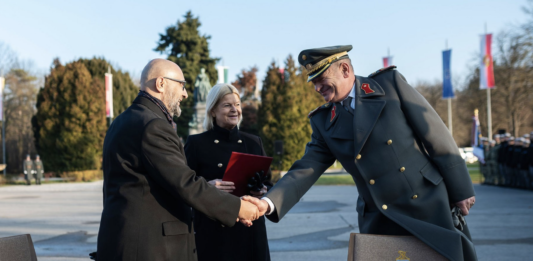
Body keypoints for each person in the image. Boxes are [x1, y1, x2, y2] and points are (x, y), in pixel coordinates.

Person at [244, 45, 477, 261]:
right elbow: (306, 168)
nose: (316, 88)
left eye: (321, 79)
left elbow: (436, 135)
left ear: (345, 69)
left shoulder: (389, 85)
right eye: (313, 82)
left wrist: (461, 189)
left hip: (425, 203)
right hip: (379, 216)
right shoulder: (324, 121)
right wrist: (268, 203)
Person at [96, 59, 261, 261]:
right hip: (148, 248)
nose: (184, 93)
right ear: (161, 84)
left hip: (126, 241)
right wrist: (238, 208)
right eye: (181, 85)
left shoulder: (122, 121)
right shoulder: (153, 126)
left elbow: (158, 182)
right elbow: (185, 183)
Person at [185, 83, 272, 261]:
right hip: (214, 233)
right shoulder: (196, 144)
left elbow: (268, 183)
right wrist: (207, 187)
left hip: (250, 233)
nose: (235, 110)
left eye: (237, 104)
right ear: (212, 111)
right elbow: (185, 186)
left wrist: (262, 191)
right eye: (227, 105)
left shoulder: (254, 142)